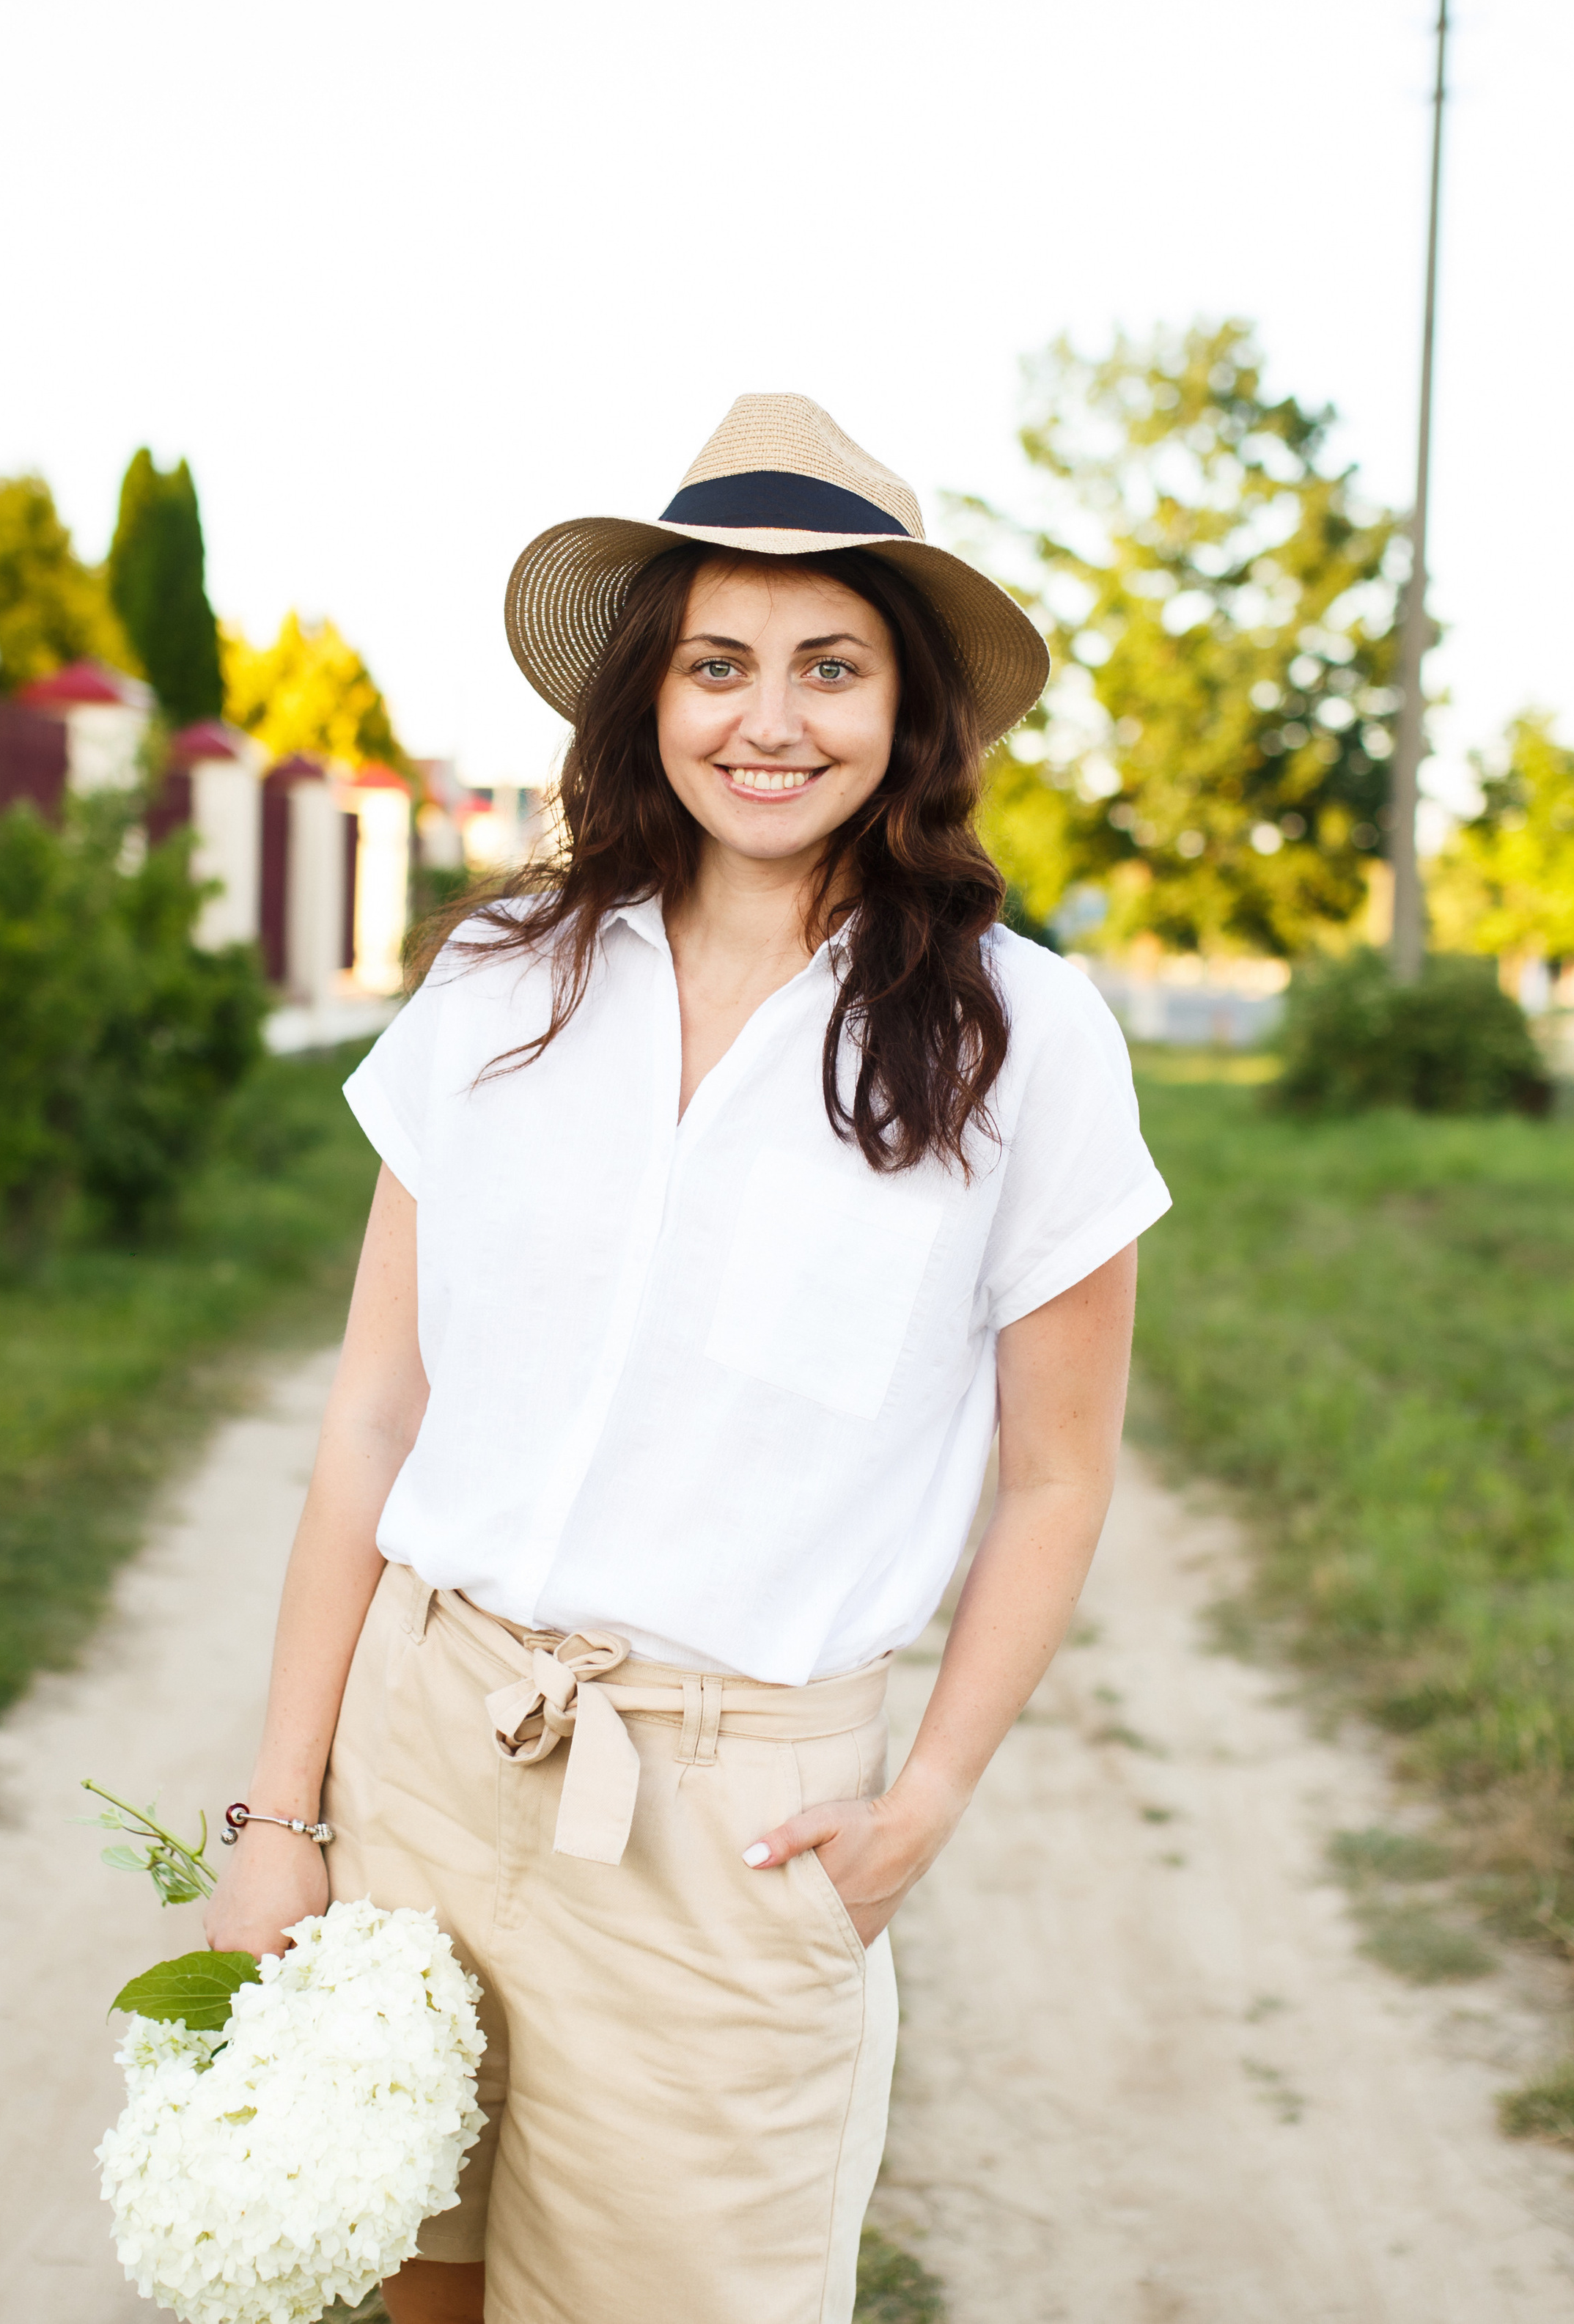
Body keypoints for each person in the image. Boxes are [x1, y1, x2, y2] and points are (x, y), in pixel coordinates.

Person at [205, 394, 1170, 2324]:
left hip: (729, 1831)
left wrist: (930, 1793)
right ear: (649, 697)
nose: (770, 717)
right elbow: (375, 1417)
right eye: (719, 663)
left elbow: (1058, 1473)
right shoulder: (502, 976)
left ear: (910, 716)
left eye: (832, 667)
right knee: (410, 2283)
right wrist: (280, 1817)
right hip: (425, 1752)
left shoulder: (1020, 1037)